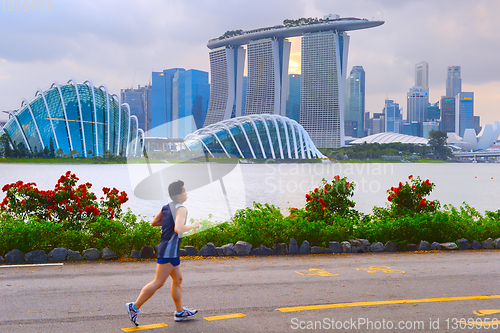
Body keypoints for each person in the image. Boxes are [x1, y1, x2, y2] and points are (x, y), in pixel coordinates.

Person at [126, 180, 200, 326]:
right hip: (168, 251)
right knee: (158, 282)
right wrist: (193, 225)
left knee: (177, 280)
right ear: (179, 196)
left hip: (169, 249)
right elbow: (179, 229)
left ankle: (180, 312)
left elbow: (155, 222)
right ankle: (134, 307)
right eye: (184, 191)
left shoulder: (166, 207)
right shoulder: (181, 209)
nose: (186, 193)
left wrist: (170, 223)